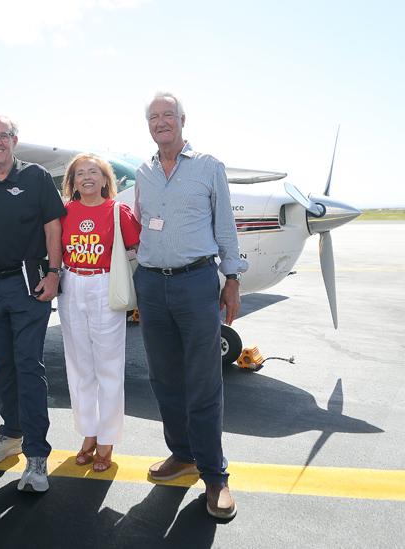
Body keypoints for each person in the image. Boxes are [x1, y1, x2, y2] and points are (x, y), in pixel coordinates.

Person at [133, 92, 247, 519]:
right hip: (151, 284)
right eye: (153, 117)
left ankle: (215, 476)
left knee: (203, 381)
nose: (161, 122)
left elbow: (226, 227)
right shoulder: (144, 173)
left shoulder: (208, 167)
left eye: (168, 115)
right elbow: (140, 222)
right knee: (163, 378)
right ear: (148, 125)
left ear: (182, 120)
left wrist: (231, 279)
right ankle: (181, 453)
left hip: (196, 281)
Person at [0, 114, 66, 492]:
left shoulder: (36, 177)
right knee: (2, 366)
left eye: (3, 135)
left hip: (28, 286)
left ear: (15, 140)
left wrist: (54, 272)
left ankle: (37, 454)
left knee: (28, 366)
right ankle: (12, 434)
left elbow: (53, 227)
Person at [57, 153, 140, 473]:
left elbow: (135, 247)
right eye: (80, 174)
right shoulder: (64, 212)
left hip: (104, 285)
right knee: (79, 367)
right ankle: (88, 434)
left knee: (108, 367)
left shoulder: (119, 211)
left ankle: (107, 440)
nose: (87, 177)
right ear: (73, 182)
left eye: (94, 172)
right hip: (72, 284)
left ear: (106, 180)